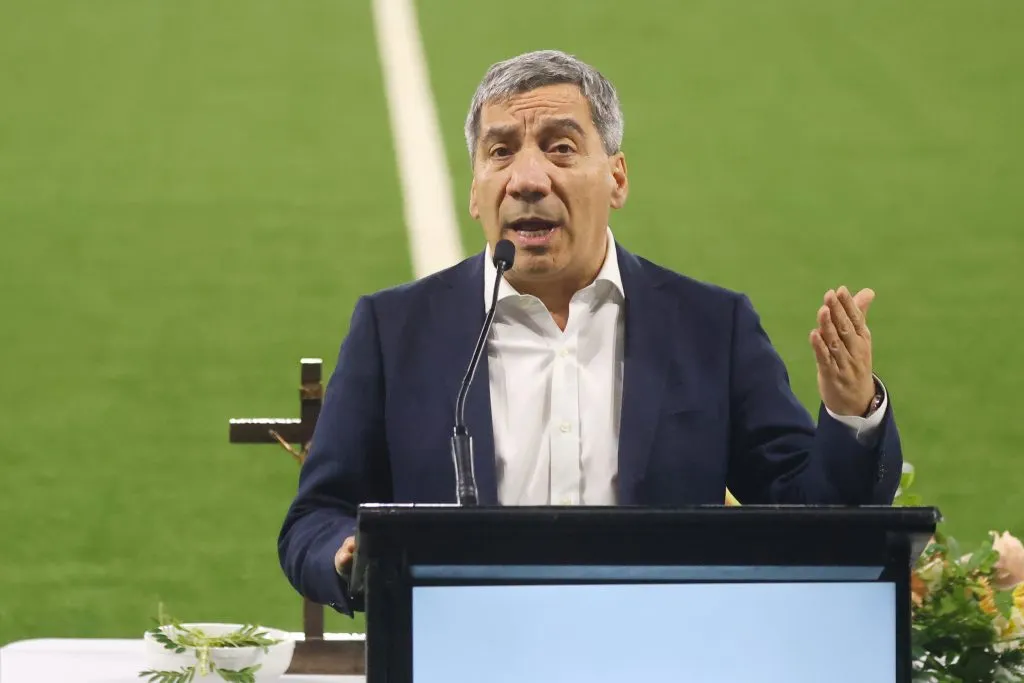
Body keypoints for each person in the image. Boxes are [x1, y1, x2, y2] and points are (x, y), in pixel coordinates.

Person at [277, 49, 901, 616]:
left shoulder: (712, 326)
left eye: (560, 148)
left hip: (660, 654)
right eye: (499, 153)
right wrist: (344, 555)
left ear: (617, 178)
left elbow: (807, 509)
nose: (526, 178)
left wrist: (852, 415)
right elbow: (315, 517)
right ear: (476, 193)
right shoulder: (395, 330)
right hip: (466, 654)